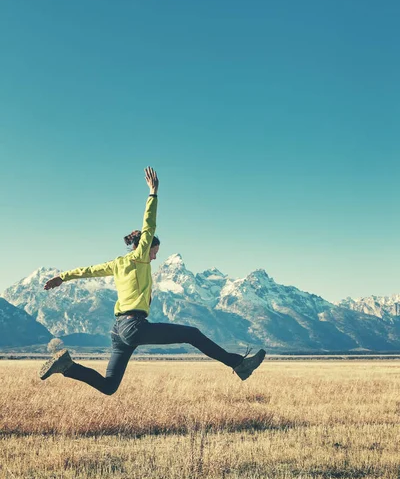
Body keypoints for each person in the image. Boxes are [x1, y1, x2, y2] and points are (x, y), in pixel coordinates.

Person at [39, 167, 266, 394]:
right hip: (134, 326)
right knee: (192, 334)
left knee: (109, 386)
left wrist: (62, 277)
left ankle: (67, 367)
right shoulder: (140, 258)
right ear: (144, 247)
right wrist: (153, 192)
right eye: (154, 251)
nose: (155, 256)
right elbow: (149, 224)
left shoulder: (118, 263)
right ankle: (239, 364)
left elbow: (88, 270)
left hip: (118, 331)